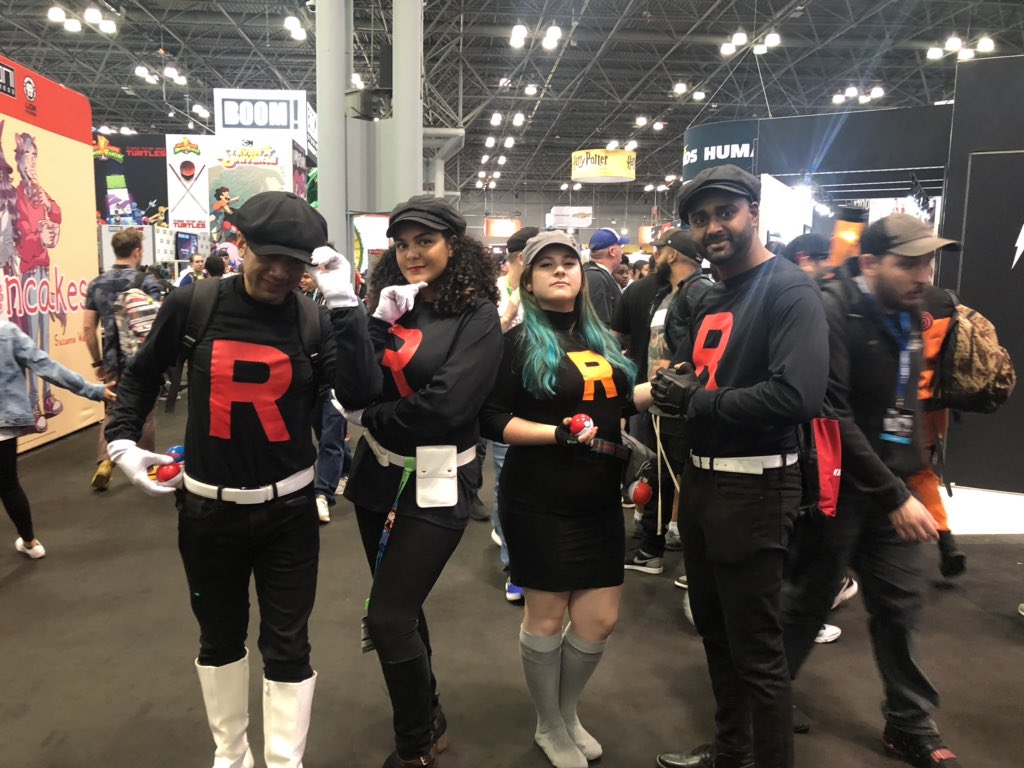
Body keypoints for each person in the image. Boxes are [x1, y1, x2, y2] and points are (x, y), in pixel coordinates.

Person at [104, 191, 337, 768]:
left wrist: (349, 308)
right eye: (270, 255)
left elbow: (357, 393)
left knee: (289, 645)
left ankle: (284, 762)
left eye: (296, 261)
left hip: (289, 512)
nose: (281, 272)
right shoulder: (195, 303)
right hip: (208, 511)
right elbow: (141, 376)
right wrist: (122, 442)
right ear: (242, 245)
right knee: (219, 638)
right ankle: (230, 756)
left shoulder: (312, 319)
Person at [651, 164, 828, 768]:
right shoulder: (712, 294)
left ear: (753, 212)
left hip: (755, 487)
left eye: (725, 212)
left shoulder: (789, 289)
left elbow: (797, 396)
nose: (713, 227)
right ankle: (732, 752)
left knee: (757, 653)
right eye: (700, 219)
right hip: (704, 484)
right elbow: (695, 373)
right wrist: (673, 386)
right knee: (715, 633)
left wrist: (697, 400)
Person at [322, 194, 503, 768]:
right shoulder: (392, 305)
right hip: (377, 473)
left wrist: (371, 416)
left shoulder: (477, 315)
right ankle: (428, 710)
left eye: (425, 241)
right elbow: (352, 387)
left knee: (388, 615)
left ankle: (414, 746)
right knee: (403, 606)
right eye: (401, 244)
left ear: (454, 246)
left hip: (440, 473)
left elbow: (448, 407)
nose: (411, 254)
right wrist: (370, 321)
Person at [781, 214, 964, 768]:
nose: (923, 275)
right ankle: (758, 705)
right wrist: (895, 494)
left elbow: (899, 406)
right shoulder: (830, 311)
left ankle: (909, 723)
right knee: (804, 604)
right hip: (834, 492)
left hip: (888, 490)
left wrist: (909, 478)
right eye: (908, 263)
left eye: (927, 262)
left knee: (899, 606)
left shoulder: (908, 311)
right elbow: (831, 415)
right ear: (868, 263)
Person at [481, 230, 652, 768]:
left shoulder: (599, 340)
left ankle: (567, 711)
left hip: (598, 500)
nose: (560, 270)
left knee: (599, 620)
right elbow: (492, 419)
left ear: (582, 275)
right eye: (546, 264)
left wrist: (665, 389)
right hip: (539, 500)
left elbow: (616, 404)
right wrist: (554, 433)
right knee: (547, 618)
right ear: (528, 282)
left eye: (568, 263)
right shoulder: (515, 344)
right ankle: (549, 723)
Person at [625, 228, 712, 577]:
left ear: (672, 254)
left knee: (688, 482)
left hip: (681, 406)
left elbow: (706, 349)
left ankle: (700, 566)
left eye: (660, 250)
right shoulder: (669, 293)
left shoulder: (699, 291)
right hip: (660, 403)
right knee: (661, 478)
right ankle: (651, 549)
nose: (656, 257)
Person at [1, 317, 114, 559]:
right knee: (8, 485)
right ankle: (30, 543)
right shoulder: (6, 332)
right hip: (4, 424)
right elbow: (47, 367)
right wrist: (94, 391)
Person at [83, 228, 164, 491]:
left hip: (112, 359)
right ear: (138, 251)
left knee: (112, 408)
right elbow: (156, 324)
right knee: (146, 410)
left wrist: (97, 362)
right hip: (141, 358)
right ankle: (147, 465)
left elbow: (88, 328)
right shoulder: (147, 282)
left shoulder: (97, 283)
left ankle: (106, 460)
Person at [490, 225, 538, 602]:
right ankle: (515, 565)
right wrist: (508, 313)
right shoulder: (492, 293)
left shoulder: (545, 292)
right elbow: (480, 345)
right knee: (508, 480)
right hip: (505, 401)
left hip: (543, 400)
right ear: (523, 258)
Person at [584, 228, 628, 325]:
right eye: (621, 246)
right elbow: (599, 325)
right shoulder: (597, 279)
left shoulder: (592, 273)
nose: (622, 251)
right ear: (612, 251)